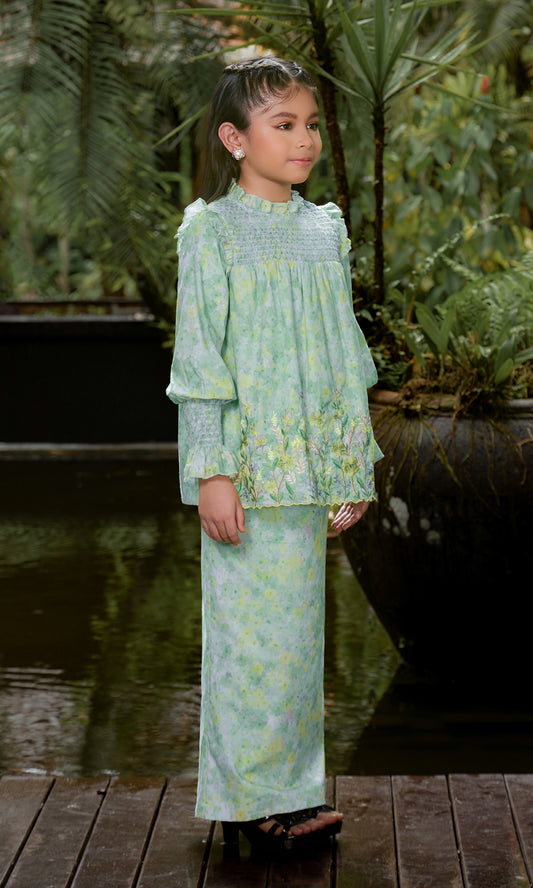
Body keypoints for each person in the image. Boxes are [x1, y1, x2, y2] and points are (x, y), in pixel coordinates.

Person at [166, 56, 382, 854]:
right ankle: (244, 808)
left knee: (293, 648)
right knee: (246, 645)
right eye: (283, 124)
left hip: (305, 469)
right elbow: (199, 359)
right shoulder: (211, 230)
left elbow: (341, 355)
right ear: (234, 138)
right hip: (245, 473)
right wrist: (211, 472)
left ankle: (285, 795)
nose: (304, 140)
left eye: (311, 124)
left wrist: (351, 464)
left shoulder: (324, 230)